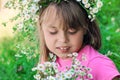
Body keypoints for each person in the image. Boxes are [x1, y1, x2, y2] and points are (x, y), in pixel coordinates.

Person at [37, 0, 120, 80]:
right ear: (42, 29)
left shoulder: (98, 65)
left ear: (85, 27)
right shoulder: (49, 62)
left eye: (71, 31)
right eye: (53, 32)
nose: (63, 39)